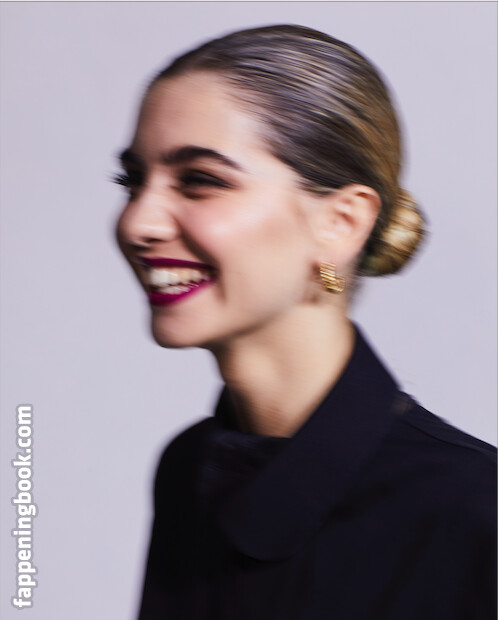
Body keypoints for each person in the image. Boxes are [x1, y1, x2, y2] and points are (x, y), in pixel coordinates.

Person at [114, 24, 496, 620]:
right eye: (133, 181)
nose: (138, 222)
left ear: (341, 224)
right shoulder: (189, 472)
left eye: (201, 181)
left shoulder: (475, 511)